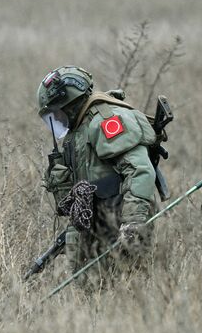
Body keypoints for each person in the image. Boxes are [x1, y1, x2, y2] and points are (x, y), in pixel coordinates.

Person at [36, 65, 159, 276]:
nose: (56, 120)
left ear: (70, 104)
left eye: (57, 113)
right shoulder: (78, 129)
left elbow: (139, 170)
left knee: (124, 293)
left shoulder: (105, 121)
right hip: (96, 228)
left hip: (118, 226)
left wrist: (132, 224)